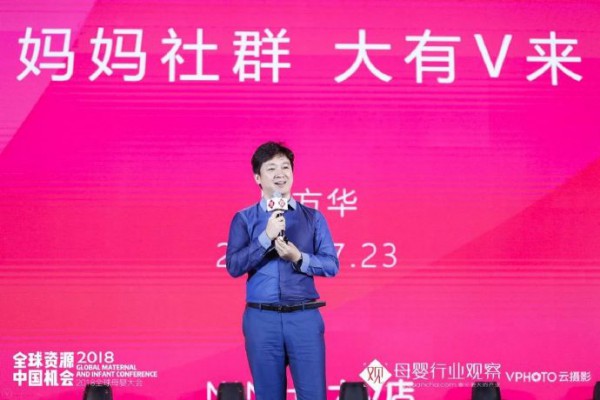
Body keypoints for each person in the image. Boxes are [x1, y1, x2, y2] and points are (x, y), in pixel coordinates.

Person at [226, 141, 339, 400]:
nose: (280, 174)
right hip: (261, 319)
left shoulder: (313, 218)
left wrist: (298, 257)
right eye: (271, 168)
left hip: (304, 317)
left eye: (285, 167)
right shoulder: (244, 219)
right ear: (257, 177)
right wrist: (265, 238)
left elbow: (332, 265)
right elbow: (234, 266)